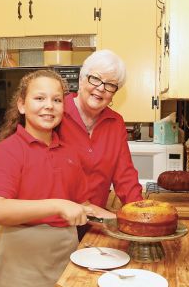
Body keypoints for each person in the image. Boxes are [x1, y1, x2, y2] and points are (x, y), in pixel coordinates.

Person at [0, 70, 113, 287]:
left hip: (61, 256)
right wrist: (57, 205)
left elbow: (80, 203)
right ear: (22, 105)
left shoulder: (69, 152)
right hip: (23, 257)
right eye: (39, 98)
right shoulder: (7, 151)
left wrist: (113, 219)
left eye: (56, 99)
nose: (48, 106)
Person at [58, 49, 143, 209]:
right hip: (56, 222)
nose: (101, 88)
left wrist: (139, 213)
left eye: (110, 84)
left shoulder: (116, 123)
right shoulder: (57, 113)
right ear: (81, 79)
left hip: (94, 223)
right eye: (95, 79)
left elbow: (125, 175)